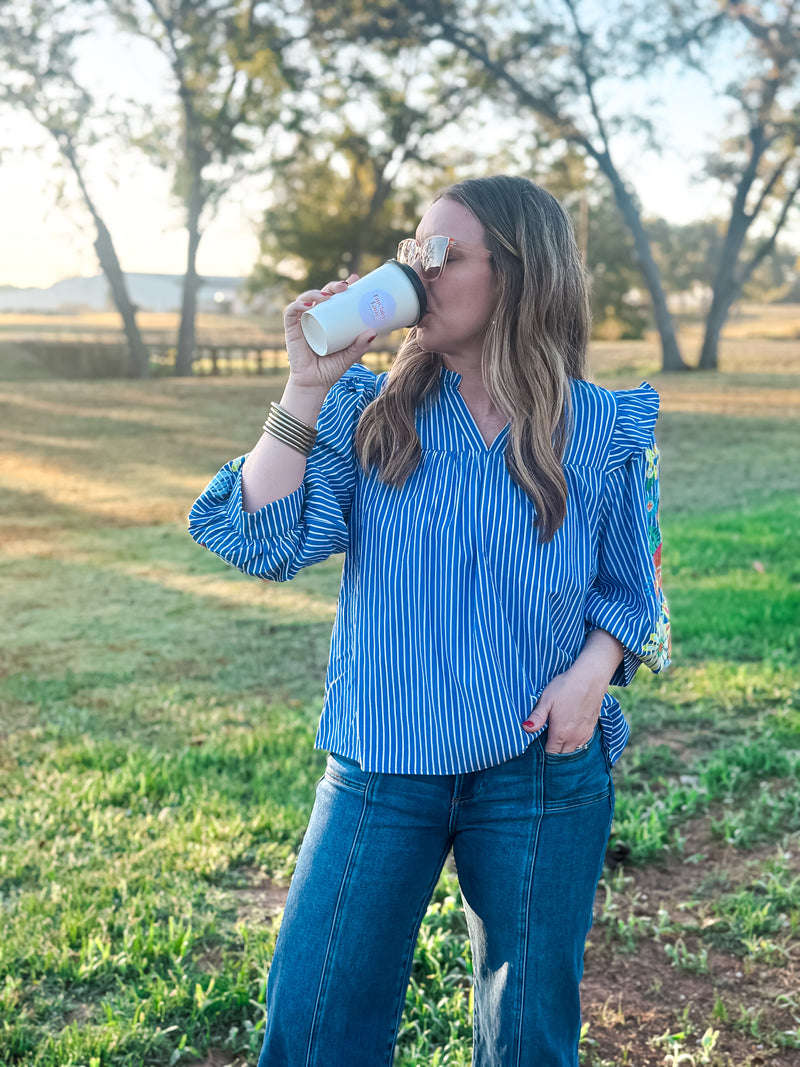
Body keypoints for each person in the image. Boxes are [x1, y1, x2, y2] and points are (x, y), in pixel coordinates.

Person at [188, 175, 670, 1067]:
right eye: (413, 249)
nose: (417, 270)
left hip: (539, 767)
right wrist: (302, 389)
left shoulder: (604, 426)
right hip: (381, 762)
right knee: (317, 1022)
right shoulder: (368, 411)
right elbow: (259, 540)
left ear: (520, 276)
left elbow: (635, 585)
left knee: (528, 1037)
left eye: (441, 253)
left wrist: (592, 671)